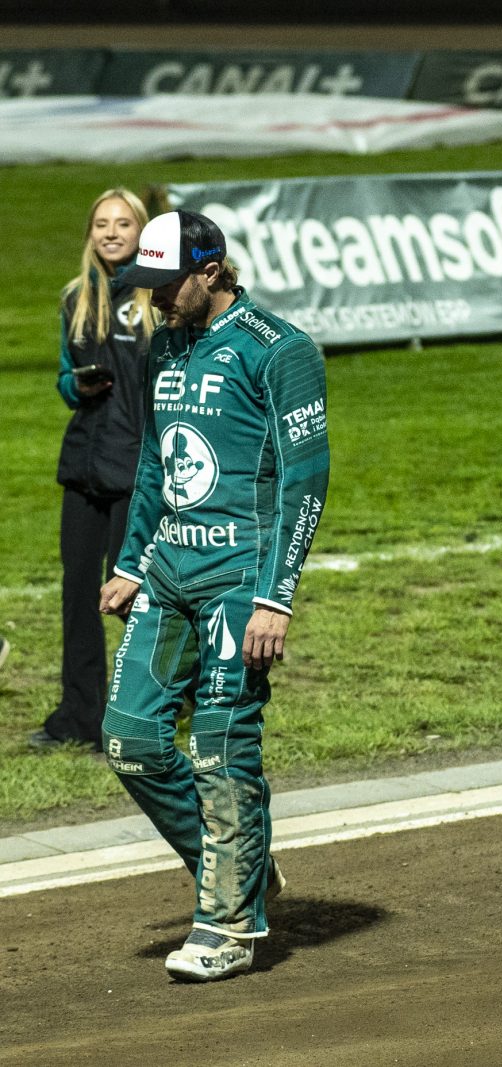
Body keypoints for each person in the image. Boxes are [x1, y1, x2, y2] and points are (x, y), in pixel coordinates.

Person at [98, 209, 329, 981]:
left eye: (167, 285)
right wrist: (133, 562)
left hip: (240, 579)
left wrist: (276, 596)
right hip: (168, 573)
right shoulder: (165, 344)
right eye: (147, 286)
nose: (156, 299)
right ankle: (242, 866)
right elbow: (156, 462)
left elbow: (305, 481)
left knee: (222, 748)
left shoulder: (280, 351)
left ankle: (229, 924)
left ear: (211, 270)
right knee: (129, 738)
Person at [30, 189, 155, 751]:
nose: (111, 232)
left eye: (123, 223)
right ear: (90, 233)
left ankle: (151, 709)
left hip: (137, 468)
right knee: (78, 592)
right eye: (101, 223)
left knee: (130, 595)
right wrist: (74, 385)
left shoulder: (158, 298)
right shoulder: (75, 297)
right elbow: (63, 376)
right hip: (83, 463)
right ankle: (80, 716)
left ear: (141, 232)